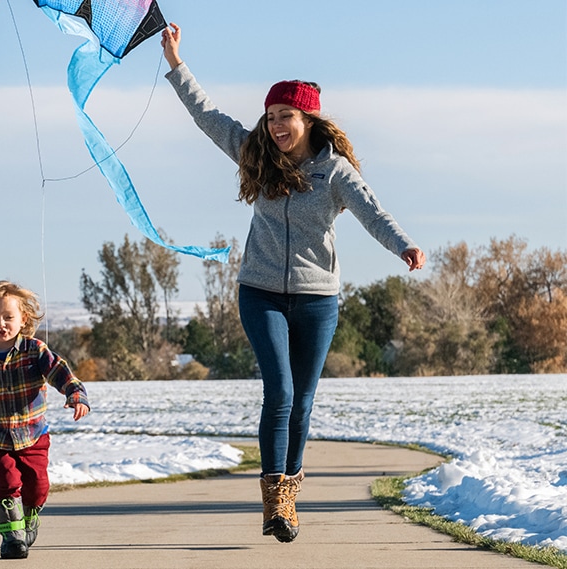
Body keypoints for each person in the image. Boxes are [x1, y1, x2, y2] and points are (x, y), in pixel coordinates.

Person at [160, 24, 426, 544]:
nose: (277, 125)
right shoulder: (255, 154)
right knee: (279, 390)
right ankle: (273, 496)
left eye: (287, 116)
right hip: (259, 291)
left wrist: (403, 246)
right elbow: (207, 116)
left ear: (309, 119)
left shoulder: (335, 171)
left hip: (317, 299)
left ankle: (291, 487)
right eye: (272, 116)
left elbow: (374, 211)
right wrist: (175, 63)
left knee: (302, 400)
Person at [0, 281, 90, 559]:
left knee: (37, 485)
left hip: (33, 433)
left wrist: (76, 395)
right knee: (7, 484)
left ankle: (31, 514)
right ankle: (12, 538)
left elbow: (61, 372)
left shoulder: (35, 350)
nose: (1, 324)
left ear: (24, 319)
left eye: (9, 317)